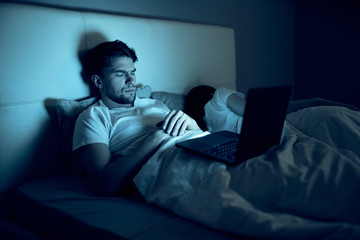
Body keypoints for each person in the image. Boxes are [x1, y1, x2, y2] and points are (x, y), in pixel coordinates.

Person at [73, 40, 202, 196]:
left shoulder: (155, 103)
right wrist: (155, 138)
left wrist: (193, 125)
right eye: (120, 74)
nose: (131, 81)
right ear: (99, 81)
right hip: (176, 165)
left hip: (204, 150)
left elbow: (196, 137)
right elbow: (104, 185)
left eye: (132, 72)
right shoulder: (94, 116)